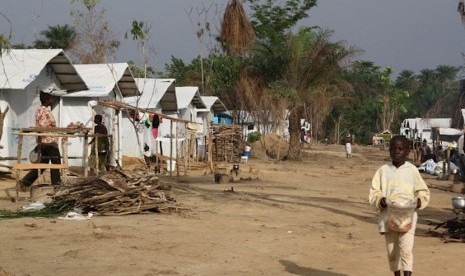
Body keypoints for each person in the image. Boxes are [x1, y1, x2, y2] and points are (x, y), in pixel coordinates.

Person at [369, 135, 430, 276]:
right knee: (392, 251)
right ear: (389, 150)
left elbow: (423, 191)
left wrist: (420, 201)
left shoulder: (412, 171)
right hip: (388, 216)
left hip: (407, 216)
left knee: (406, 249)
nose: (396, 151)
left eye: (400, 149)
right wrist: (380, 200)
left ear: (407, 152)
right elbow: (374, 192)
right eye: (393, 148)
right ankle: (396, 273)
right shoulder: (383, 170)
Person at [19, 91, 62, 191]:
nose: (52, 100)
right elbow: (42, 126)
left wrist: (40, 142)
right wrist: (41, 142)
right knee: (56, 163)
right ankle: (57, 186)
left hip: (45, 142)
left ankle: (26, 182)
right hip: (49, 142)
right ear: (47, 100)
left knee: (43, 165)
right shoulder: (44, 111)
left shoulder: (40, 110)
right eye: (50, 99)